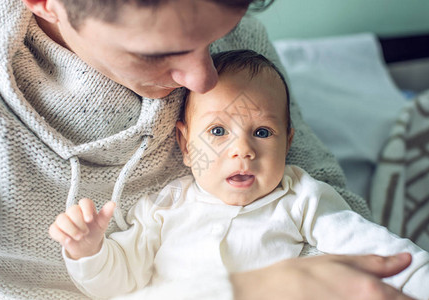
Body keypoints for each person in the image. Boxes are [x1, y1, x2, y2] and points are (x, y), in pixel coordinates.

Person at [0, 0, 417, 299]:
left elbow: (333, 210)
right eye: (160, 53)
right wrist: (247, 289)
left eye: (215, 39)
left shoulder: (237, 37)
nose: (204, 76)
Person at [50, 50, 429, 300]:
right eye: (217, 132)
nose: (242, 150)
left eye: (262, 133)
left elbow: (375, 249)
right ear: (184, 144)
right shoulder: (164, 207)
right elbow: (118, 282)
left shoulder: (299, 196)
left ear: (288, 143)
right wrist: (88, 250)